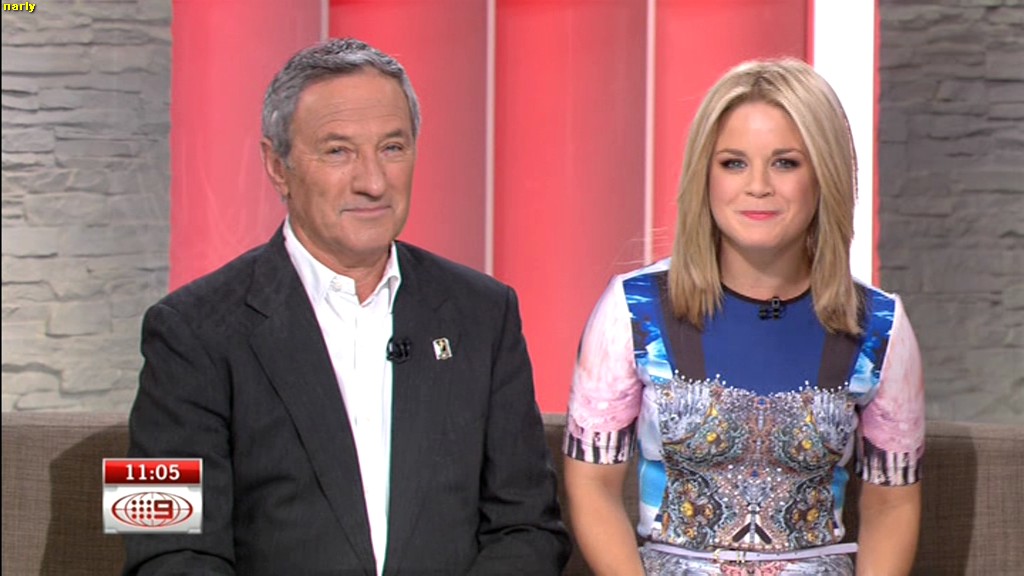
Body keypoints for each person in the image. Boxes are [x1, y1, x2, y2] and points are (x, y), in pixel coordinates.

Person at [124, 38, 569, 575]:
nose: (373, 182)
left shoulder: (484, 314)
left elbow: (528, 528)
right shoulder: (185, 330)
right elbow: (164, 549)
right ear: (277, 165)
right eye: (338, 151)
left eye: (392, 148)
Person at [562, 58, 924, 576]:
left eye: (785, 163)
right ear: (704, 175)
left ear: (824, 175)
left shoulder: (879, 326)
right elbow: (591, 487)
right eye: (733, 163)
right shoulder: (634, 309)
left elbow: (893, 505)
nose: (758, 186)